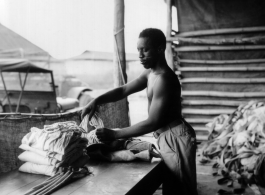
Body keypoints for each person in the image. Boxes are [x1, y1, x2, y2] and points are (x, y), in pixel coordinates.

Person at [81, 28, 198, 195]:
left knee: (180, 192)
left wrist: (115, 134)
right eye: (138, 50)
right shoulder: (151, 73)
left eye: (145, 49)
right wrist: (97, 100)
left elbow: (153, 122)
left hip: (175, 138)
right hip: (167, 136)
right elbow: (123, 91)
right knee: (173, 189)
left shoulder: (164, 79)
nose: (140, 55)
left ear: (159, 49)